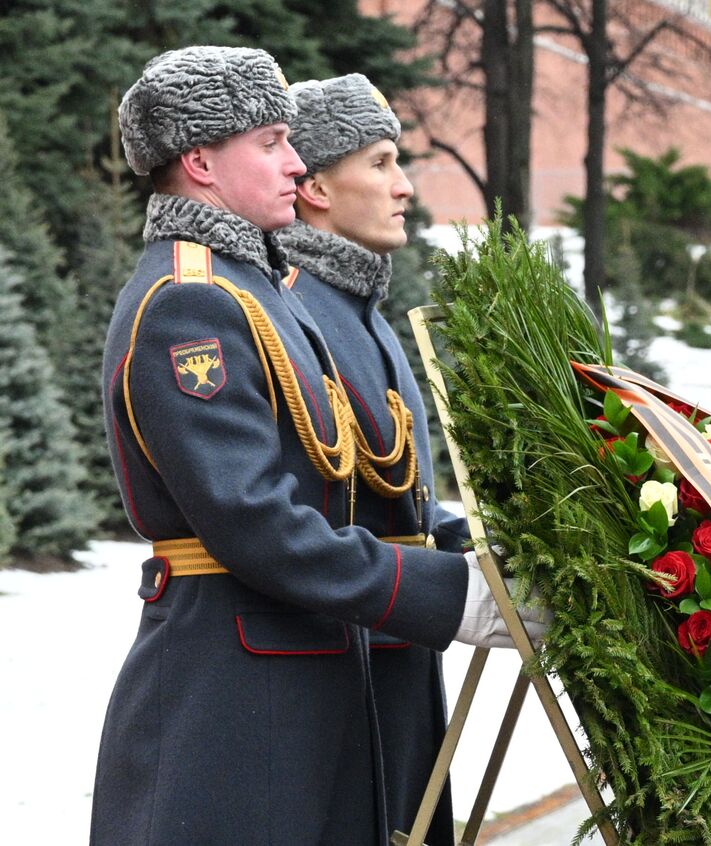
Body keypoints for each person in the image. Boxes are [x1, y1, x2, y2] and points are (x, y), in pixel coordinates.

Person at [95, 47, 542, 845]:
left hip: (303, 680)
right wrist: (456, 596)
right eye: (269, 142)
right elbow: (259, 526)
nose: (294, 163)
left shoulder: (253, 288)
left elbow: (355, 489)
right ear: (200, 160)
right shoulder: (186, 301)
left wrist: (484, 559)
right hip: (235, 702)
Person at [276, 73, 466, 844]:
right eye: (382, 163)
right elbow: (298, 516)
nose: (406, 187)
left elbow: (400, 501)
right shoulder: (288, 307)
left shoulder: (360, 307)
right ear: (315, 184)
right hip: (337, 661)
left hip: (399, 657)